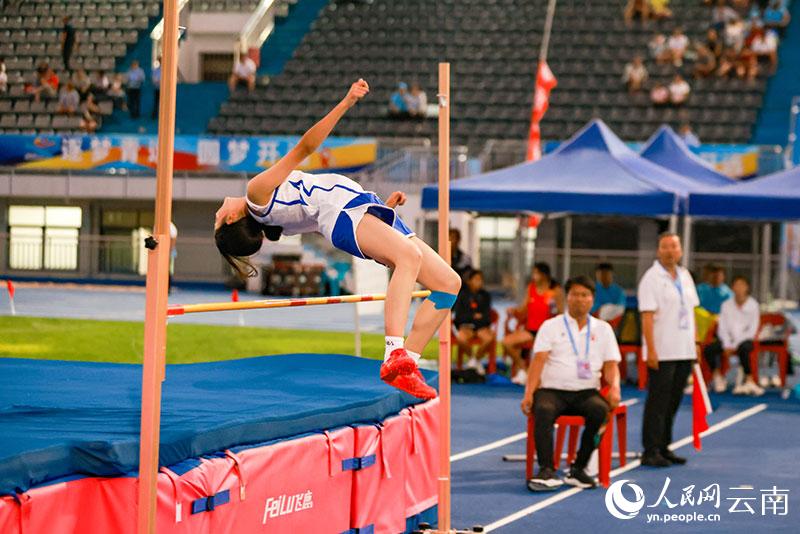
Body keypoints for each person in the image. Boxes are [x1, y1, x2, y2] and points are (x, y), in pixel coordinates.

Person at [213, 79, 461, 400]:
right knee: (409, 258)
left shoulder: (274, 221)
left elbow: (324, 225)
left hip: (358, 211)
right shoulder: (256, 194)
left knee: (448, 283)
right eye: (217, 216)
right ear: (232, 219)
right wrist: (345, 103)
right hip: (346, 214)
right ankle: (393, 353)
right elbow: (304, 149)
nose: (219, 208)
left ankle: (407, 364)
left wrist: (381, 213)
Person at [521, 275, 621, 491]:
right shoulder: (551, 326)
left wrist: (615, 388)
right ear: (567, 297)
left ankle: (579, 468)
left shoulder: (603, 329)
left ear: (592, 299)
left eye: (585, 295)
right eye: (575, 294)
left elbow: (611, 364)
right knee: (543, 410)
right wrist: (528, 393)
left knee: (600, 411)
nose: (579, 299)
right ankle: (547, 469)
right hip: (551, 391)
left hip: (586, 391)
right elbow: (538, 361)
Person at [638, 232, 699, 467]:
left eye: (674, 246)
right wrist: (651, 350)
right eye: (665, 247)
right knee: (657, 402)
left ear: (681, 250)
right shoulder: (651, 279)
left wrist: (695, 344)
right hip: (662, 350)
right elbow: (647, 317)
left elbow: (691, 313)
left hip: (683, 349)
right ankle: (650, 449)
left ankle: (665, 445)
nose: (670, 251)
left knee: (674, 401)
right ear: (658, 250)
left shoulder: (684, 276)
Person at [503, 263, 564, 385]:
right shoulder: (531, 288)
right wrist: (513, 310)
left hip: (548, 332)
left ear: (544, 275)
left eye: (536, 273)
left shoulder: (556, 290)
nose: (533, 276)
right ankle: (525, 370)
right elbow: (523, 309)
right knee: (507, 342)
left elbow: (561, 312)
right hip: (531, 330)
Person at [704, 275, 763, 395]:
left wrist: (735, 344)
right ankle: (717, 377)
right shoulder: (726, 305)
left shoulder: (754, 305)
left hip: (745, 340)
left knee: (745, 348)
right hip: (727, 340)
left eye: (742, 285)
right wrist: (727, 344)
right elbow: (722, 327)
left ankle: (749, 380)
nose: (739, 288)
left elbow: (752, 330)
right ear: (732, 288)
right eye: (736, 285)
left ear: (747, 287)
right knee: (709, 349)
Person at [453, 269, 494, 373]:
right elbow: (459, 316)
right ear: (469, 281)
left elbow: (487, 316)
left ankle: (476, 360)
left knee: (489, 338)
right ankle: (472, 358)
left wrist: (477, 319)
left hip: (481, 327)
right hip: (466, 327)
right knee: (461, 338)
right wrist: (473, 316)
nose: (479, 282)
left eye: (481, 279)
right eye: (476, 279)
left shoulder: (485, 296)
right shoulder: (462, 295)